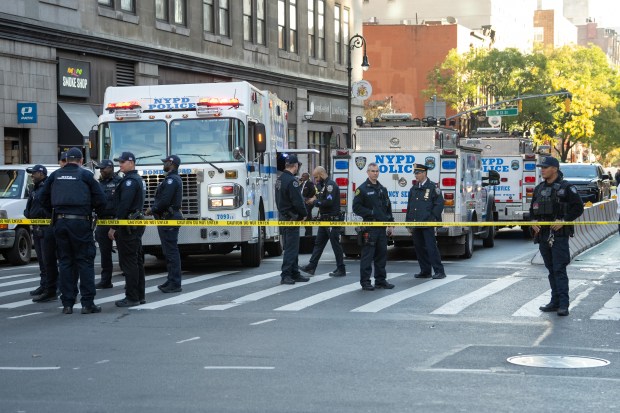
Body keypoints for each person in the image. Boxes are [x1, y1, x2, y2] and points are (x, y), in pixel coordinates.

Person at [39, 147, 106, 314]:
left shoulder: (55, 175)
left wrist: (54, 213)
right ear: (81, 160)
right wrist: (93, 211)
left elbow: (42, 198)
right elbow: (101, 199)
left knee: (66, 262)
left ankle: (67, 304)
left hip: (60, 223)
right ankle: (87, 303)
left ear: (67, 159)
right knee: (84, 261)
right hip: (80, 223)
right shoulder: (86, 175)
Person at [530, 156, 584, 316]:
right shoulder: (539, 188)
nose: (542, 170)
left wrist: (564, 221)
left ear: (555, 168)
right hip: (543, 234)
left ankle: (563, 304)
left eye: (545, 167)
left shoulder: (567, 188)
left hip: (559, 234)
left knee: (559, 269)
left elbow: (578, 208)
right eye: (542, 167)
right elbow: (532, 209)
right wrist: (533, 221)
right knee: (550, 268)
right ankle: (554, 302)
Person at [109, 152, 146, 307]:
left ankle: (132, 297)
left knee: (129, 263)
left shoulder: (130, 181)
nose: (120, 164)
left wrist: (114, 227)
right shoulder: (135, 179)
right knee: (136, 262)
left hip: (128, 226)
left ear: (132, 162)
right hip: (134, 225)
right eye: (119, 162)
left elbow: (124, 205)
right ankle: (139, 295)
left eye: (123, 162)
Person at [352, 162, 395, 291]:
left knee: (381, 255)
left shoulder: (382, 189)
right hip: (370, 227)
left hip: (381, 227)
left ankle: (380, 281)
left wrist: (390, 224)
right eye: (372, 171)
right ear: (368, 172)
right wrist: (370, 213)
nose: (375, 173)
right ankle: (365, 281)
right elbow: (356, 207)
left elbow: (388, 208)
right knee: (367, 256)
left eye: (377, 171)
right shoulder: (362, 189)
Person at [145, 155, 183, 293]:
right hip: (167, 218)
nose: (164, 164)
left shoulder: (172, 180)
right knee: (168, 252)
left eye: (166, 162)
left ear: (171, 164)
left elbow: (165, 200)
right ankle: (171, 279)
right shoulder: (170, 179)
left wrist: (152, 209)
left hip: (170, 218)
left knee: (171, 252)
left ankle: (175, 283)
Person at [299, 166, 346, 277]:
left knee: (335, 245)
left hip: (332, 220)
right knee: (318, 244)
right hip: (324, 220)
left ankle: (341, 269)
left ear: (320, 174)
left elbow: (328, 202)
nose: (315, 180)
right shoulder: (323, 186)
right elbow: (321, 196)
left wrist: (315, 202)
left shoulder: (330, 185)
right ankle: (311, 266)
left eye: (316, 177)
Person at [405, 163, 446, 279]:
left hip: (428, 224)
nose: (416, 175)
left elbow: (439, 205)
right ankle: (425, 271)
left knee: (431, 247)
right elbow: (410, 206)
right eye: (415, 173)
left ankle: (439, 271)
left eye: (417, 173)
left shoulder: (433, 188)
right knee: (419, 248)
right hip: (416, 223)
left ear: (424, 173)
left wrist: (432, 220)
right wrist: (408, 222)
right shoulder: (414, 188)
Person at [25, 165, 59, 302]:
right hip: (37, 226)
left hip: (47, 227)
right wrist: (27, 213)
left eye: (34, 173)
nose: (32, 175)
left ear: (41, 173)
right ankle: (44, 285)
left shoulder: (48, 187)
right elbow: (30, 205)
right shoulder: (34, 188)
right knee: (41, 259)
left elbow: (51, 205)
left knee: (48, 260)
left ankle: (51, 287)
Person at [275, 154, 309, 285]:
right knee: (291, 248)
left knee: (292, 247)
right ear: (295, 166)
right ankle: (286, 274)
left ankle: (295, 273)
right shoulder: (292, 181)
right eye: (297, 166)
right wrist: (304, 214)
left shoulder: (280, 179)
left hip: (284, 217)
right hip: (291, 218)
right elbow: (297, 201)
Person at [94, 159, 121, 289]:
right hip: (102, 221)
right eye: (100, 169)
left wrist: (115, 224)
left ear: (111, 168)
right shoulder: (99, 183)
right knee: (105, 254)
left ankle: (131, 282)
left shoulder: (119, 182)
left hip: (117, 220)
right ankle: (106, 280)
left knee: (124, 253)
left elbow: (122, 204)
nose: (102, 170)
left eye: (104, 168)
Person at [300, 172, 316, 236]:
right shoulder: (302, 184)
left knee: (308, 217)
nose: (302, 177)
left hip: (307, 203)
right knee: (305, 218)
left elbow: (313, 191)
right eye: (302, 176)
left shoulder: (309, 183)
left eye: (303, 176)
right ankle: (307, 232)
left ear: (307, 177)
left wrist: (308, 198)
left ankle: (309, 234)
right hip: (302, 202)